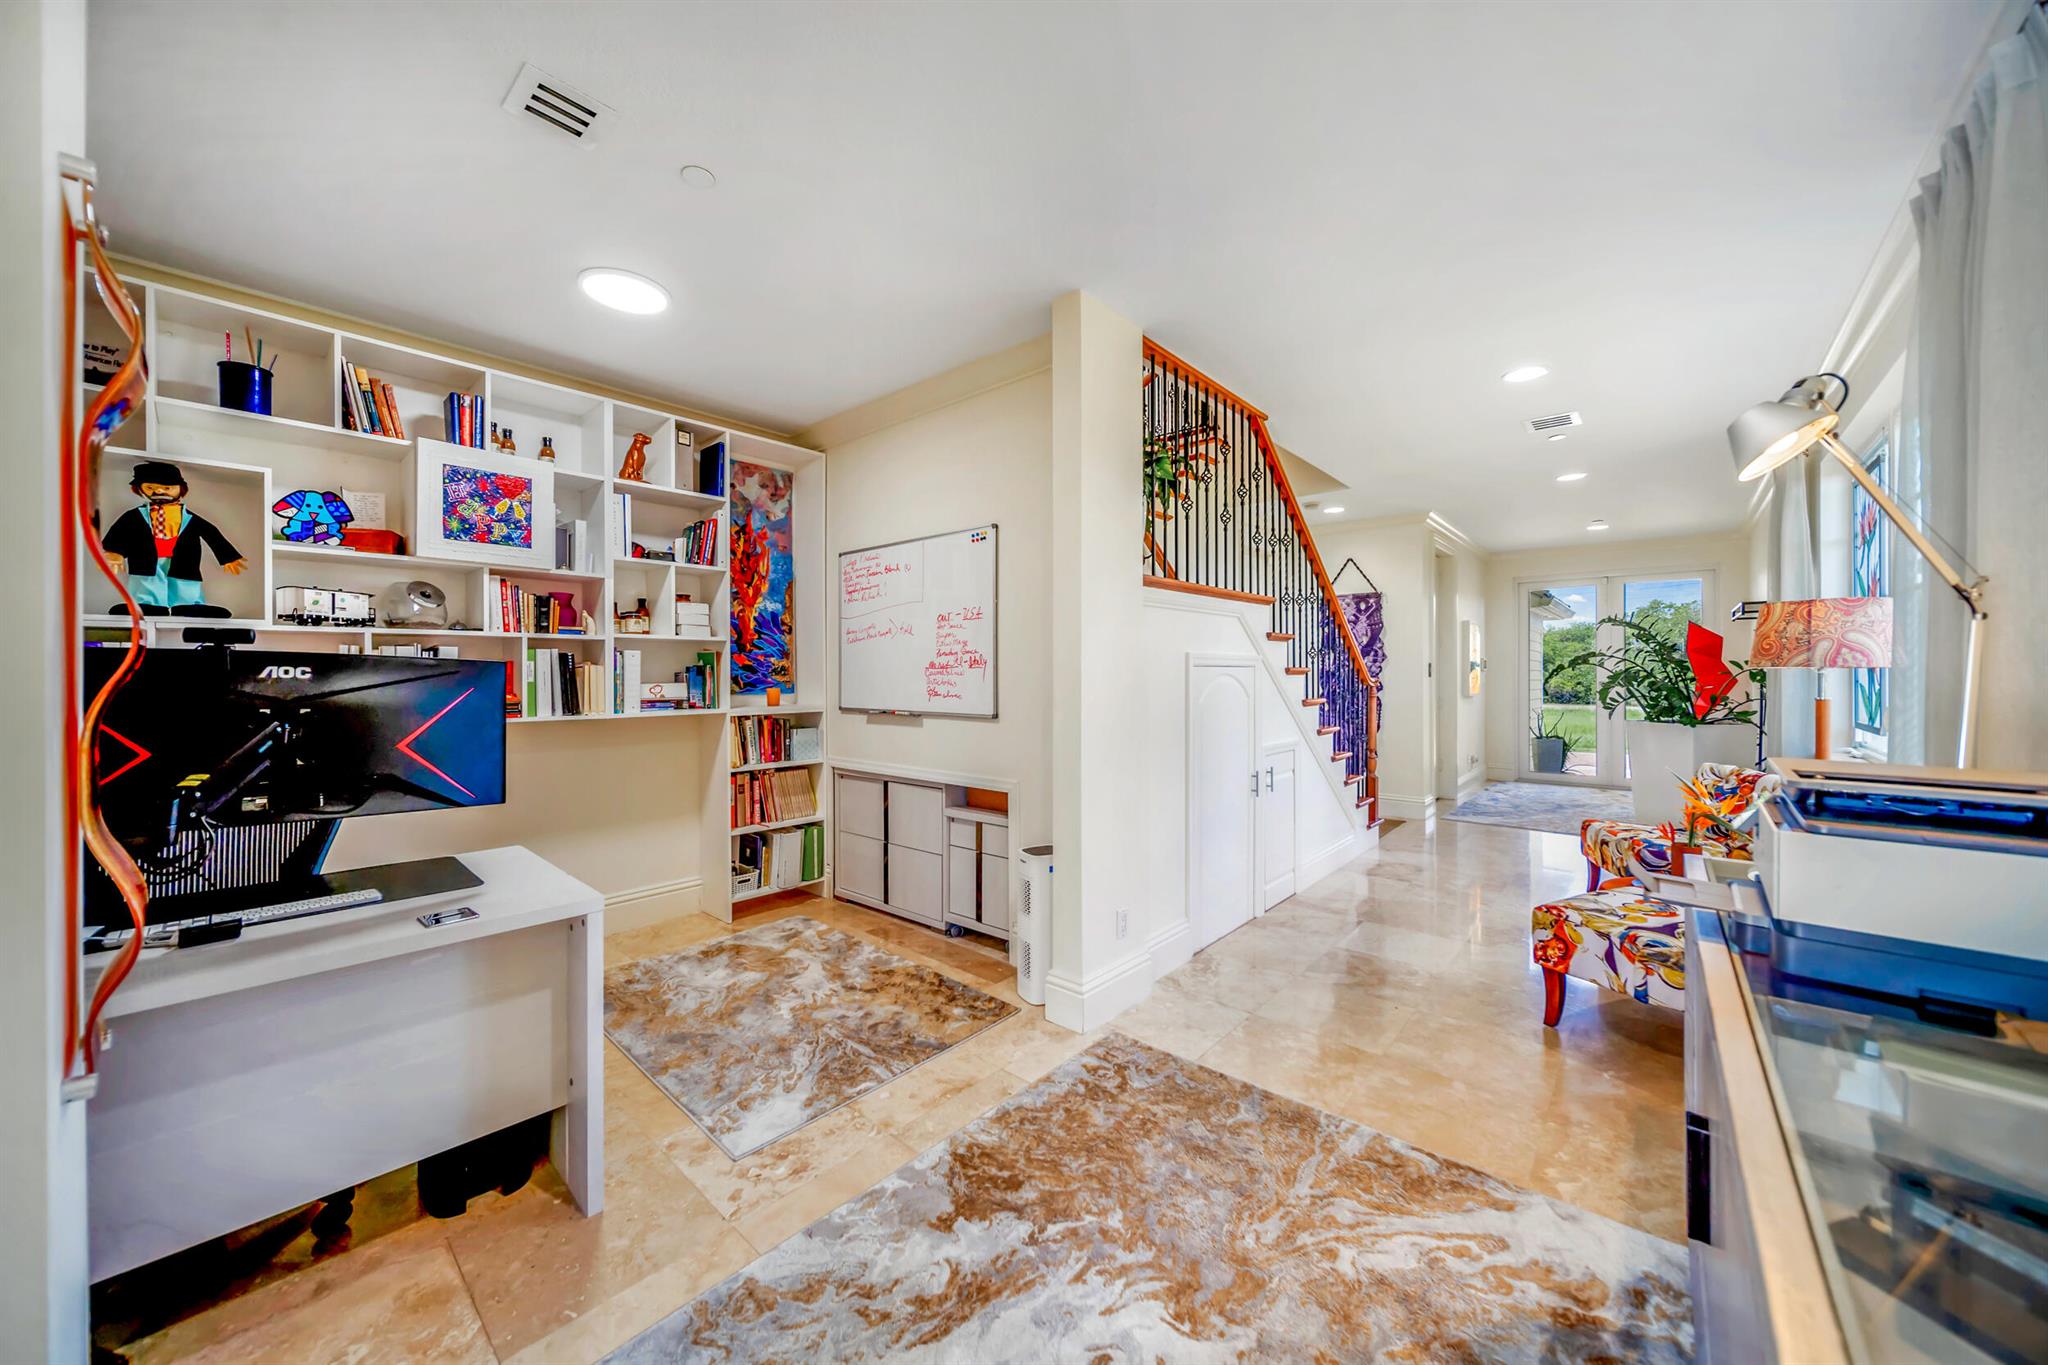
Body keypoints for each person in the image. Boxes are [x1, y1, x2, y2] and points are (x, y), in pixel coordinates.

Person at [99, 459, 247, 616]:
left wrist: (228, 556)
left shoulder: (190, 518)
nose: (159, 491)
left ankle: (187, 605)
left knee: (184, 582)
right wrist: (115, 553)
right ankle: (147, 605)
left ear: (181, 489)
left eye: (167, 488)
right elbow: (119, 531)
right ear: (140, 489)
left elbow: (211, 533)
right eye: (150, 488)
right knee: (146, 582)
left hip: (183, 556)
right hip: (144, 556)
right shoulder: (134, 516)